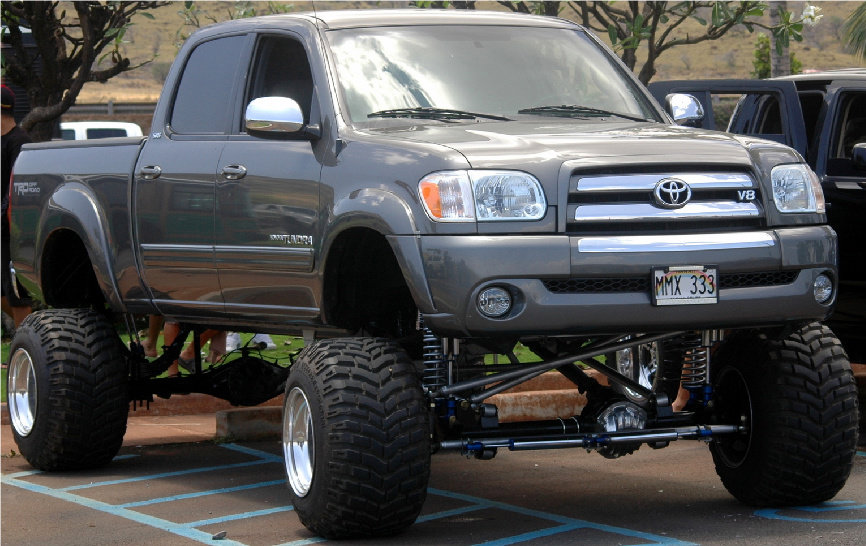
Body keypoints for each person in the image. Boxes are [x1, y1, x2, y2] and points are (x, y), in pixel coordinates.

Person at [1, 85, 32, 329]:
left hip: (12, 229)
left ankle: (24, 348)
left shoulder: (19, 141)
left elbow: (15, 190)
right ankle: (32, 333)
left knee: (16, 293)